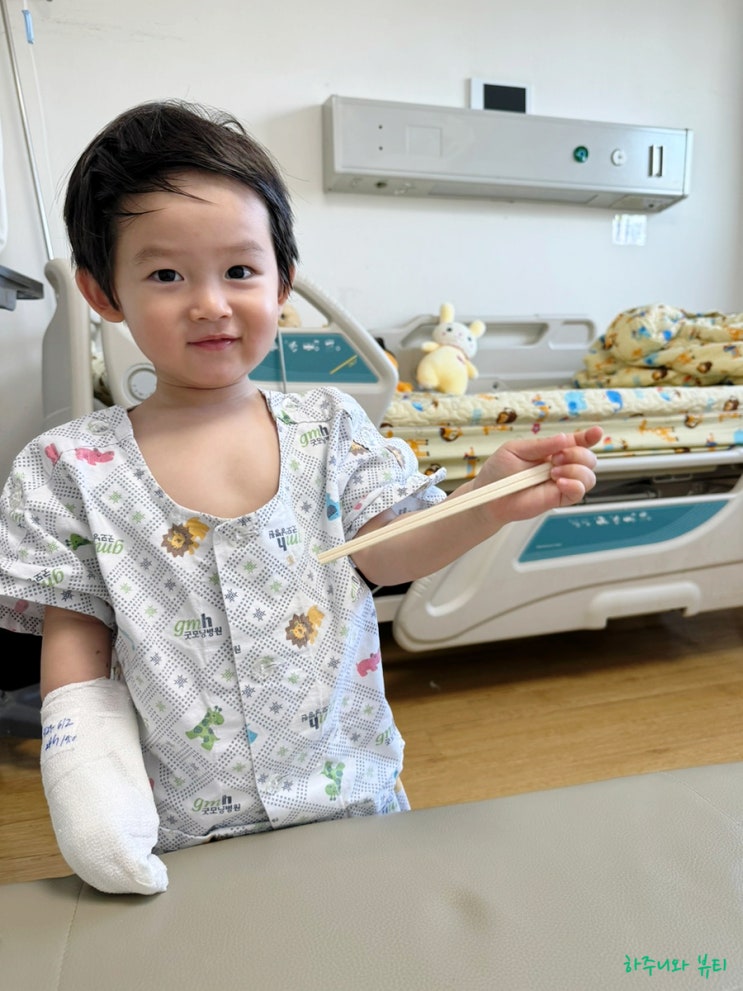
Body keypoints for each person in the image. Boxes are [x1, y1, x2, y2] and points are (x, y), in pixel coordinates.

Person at [0, 100, 602, 895]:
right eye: (166, 275)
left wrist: (486, 498)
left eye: (240, 271)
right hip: (183, 829)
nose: (211, 303)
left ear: (282, 280)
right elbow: (75, 646)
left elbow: (385, 552)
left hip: (353, 803)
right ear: (102, 291)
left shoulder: (331, 427)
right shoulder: (69, 467)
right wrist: (93, 798)